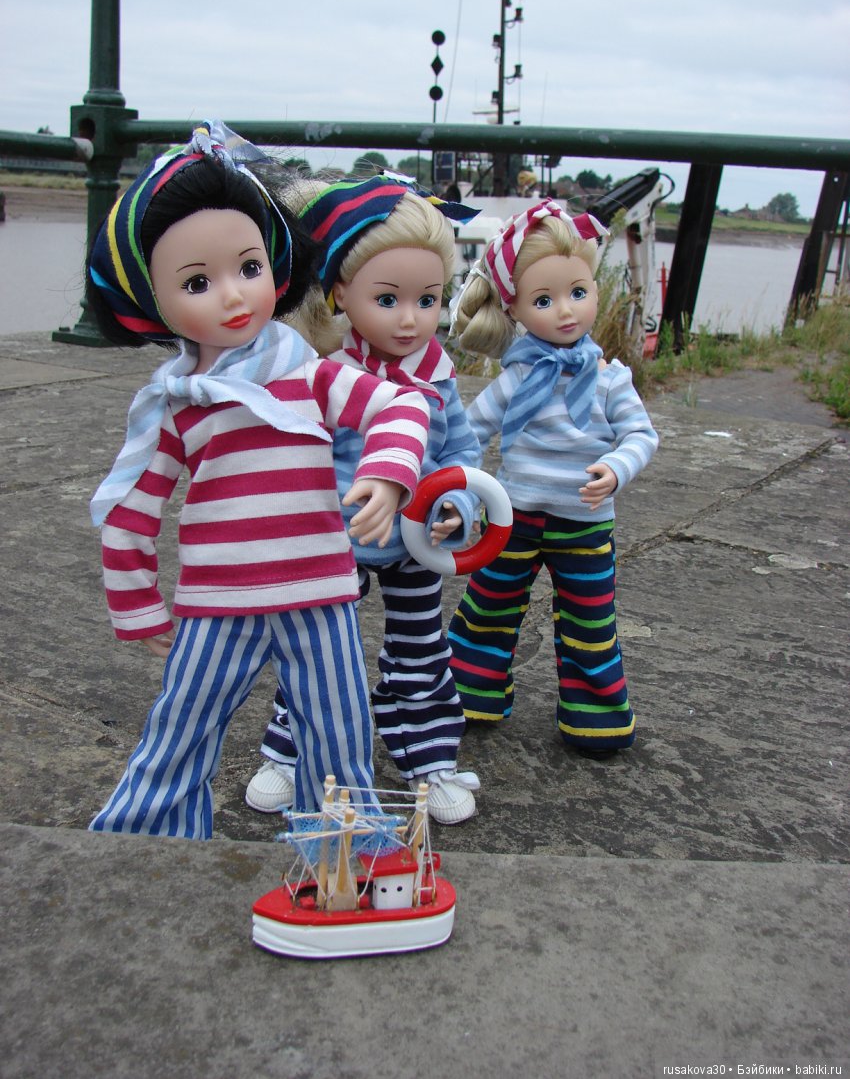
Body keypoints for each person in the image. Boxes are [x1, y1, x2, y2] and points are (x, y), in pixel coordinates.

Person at [85, 125, 430, 838]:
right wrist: (138, 602)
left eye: (249, 267)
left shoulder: (310, 374)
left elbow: (400, 405)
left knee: (338, 735)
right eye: (196, 283)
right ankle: (146, 838)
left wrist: (388, 473)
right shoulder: (179, 404)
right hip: (219, 598)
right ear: (153, 300)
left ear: (274, 262)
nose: (233, 296)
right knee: (180, 728)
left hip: (321, 591)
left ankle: (342, 849)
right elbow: (131, 506)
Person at [245, 174, 484, 824]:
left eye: (428, 299)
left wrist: (461, 503)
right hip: (335, 538)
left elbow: (461, 452)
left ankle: (428, 757)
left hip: (417, 538)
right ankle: (291, 751)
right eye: (387, 298)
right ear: (340, 293)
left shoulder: (438, 376)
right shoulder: (325, 372)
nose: (410, 318)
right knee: (315, 648)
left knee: (421, 648)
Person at [447, 199, 659, 757]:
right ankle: (469, 693)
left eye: (578, 292)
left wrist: (616, 468)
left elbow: (641, 436)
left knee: (590, 619)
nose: (565, 311)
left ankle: (596, 717)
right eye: (543, 300)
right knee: (488, 605)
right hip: (512, 516)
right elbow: (470, 431)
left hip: (584, 522)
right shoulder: (518, 376)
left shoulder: (610, 379)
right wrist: (458, 490)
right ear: (514, 307)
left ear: (595, 290)